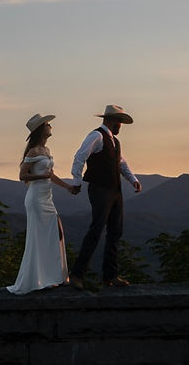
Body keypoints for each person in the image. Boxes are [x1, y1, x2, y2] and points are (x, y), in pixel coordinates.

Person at [68, 104, 142, 289]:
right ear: (111, 120)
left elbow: (122, 163)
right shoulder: (96, 136)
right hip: (100, 189)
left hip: (115, 190)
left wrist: (133, 180)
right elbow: (79, 157)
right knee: (96, 230)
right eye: (119, 122)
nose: (120, 126)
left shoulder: (115, 142)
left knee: (115, 232)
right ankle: (76, 275)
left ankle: (110, 276)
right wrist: (77, 180)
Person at [7, 113, 75, 295]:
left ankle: (53, 277)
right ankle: (41, 279)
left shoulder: (46, 151)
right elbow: (22, 175)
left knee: (54, 233)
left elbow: (51, 175)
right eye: (46, 124)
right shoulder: (34, 152)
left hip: (47, 198)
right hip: (36, 198)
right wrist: (41, 176)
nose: (50, 126)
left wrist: (67, 186)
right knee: (39, 236)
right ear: (40, 130)